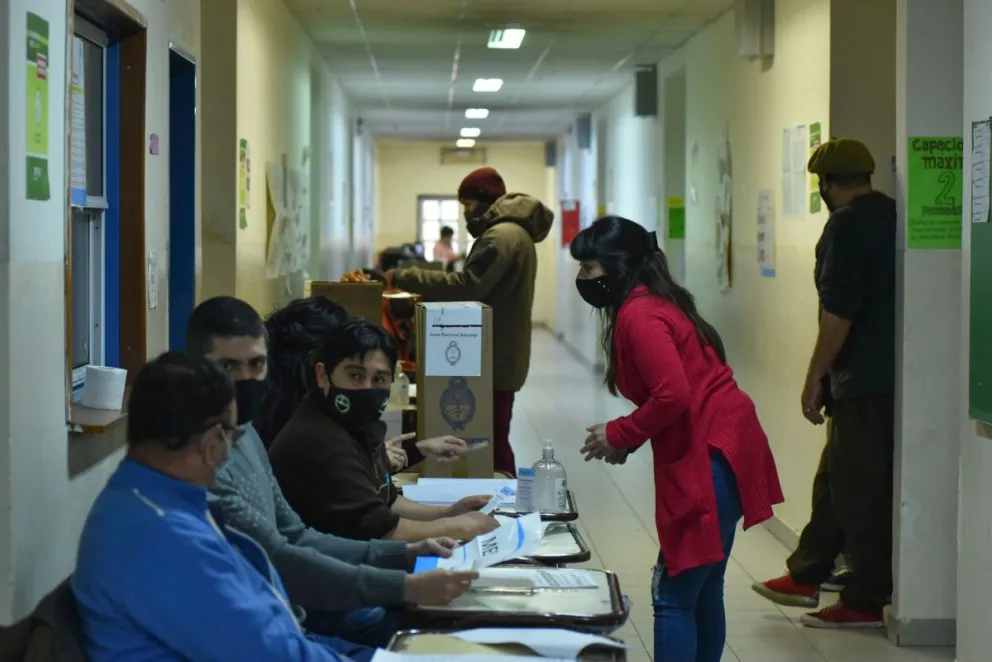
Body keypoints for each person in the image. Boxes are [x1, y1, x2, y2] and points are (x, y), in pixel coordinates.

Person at [190, 297, 478, 648]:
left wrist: (407, 554)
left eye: (256, 364)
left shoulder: (246, 433)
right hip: (282, 625)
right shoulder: (204, 464)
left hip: (293, 612)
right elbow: (280, 560)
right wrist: (405, 583)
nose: (246, 379)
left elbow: (296, 535)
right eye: (227, 367)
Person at [72, 351, 380, 662]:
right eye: (232, 436)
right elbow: (274, 655)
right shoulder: (164, 538)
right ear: (212, 443)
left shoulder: (144, 500)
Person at [572, 216, 784, 662]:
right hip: (728, 441)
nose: (582, 279)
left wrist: (620, 432)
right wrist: (628, 439)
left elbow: (673, 394)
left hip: (712, 453)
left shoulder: (640, 314)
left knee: (674, 592)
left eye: (589, 268)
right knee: (704, 588)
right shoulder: (654, 302)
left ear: (617, 266)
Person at [753, 138, 896, 629]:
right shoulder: (891, 216)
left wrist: (815, 376)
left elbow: (840, 311)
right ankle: (808, 572)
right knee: (835, 480)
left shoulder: (847, 224)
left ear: (826, 184)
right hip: (889, 378)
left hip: (861, 381)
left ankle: (867, 597)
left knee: (859, 492)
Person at [342, 167, 555, 476]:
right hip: (500, 350)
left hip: (494, 354)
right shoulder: (512, 234)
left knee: (491, 441)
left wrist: (400, 276)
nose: (466, 214)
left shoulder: (502, 235)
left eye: (468, 205)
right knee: (495, 435)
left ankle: (504, 499)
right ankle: (496, 495)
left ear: (485, 201)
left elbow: (469, 284)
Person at [270, 318, 502, 543]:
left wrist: (449, 513)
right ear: (323, 375)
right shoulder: (321, 442)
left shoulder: (354, 424)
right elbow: (382, 530)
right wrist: (459, 526)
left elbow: (388, 501)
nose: (366, 388)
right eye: (355, 375)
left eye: (379, 378)